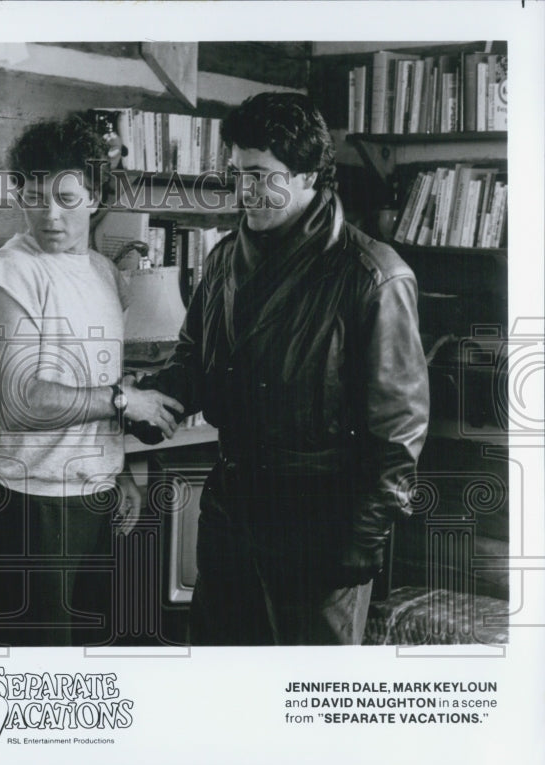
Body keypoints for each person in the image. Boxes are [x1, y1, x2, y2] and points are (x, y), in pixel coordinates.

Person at [142, 92, 430, 644]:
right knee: (224, 691)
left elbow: (398, 431)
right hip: (232, 514)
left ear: (308, 176)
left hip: (321, 525)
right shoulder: (225, 257)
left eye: (260, 174)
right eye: (237, 174)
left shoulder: (373, 275)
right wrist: (150, 398)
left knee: (308, 708)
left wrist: (362, 540)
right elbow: (194, 360)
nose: (244, 191)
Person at [0, 115, 184, 646]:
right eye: (35, 196)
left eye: (67, 198)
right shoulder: (9, 272)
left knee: (90, 664)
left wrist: (123, 468)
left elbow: (99, 379)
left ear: (95, 197)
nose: (49, 214)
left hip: (97, 493)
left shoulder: (103, 272)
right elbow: (20, 401)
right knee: (39, 677)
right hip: (33, 500)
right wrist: (122, 401)